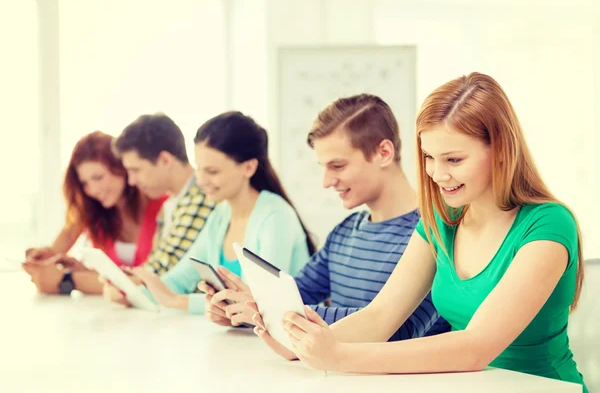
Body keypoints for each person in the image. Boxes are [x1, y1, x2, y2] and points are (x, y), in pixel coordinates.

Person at [253, 73, 588, 393]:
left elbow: (475, 348)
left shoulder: (548, 225)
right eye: (429, 157)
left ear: (500, 150)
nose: (437, 174)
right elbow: (379, 317)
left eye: (454, 159)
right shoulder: (441, 221)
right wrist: (303, 347)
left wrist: (338, 356)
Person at [204, 94, 449, 339]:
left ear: (383, 153)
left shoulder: (434, 233)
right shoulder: (344, 232)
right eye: (324, 167)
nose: (326, 181)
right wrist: (244, 309)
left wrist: (279, 313)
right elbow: (293, 297)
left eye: (338, 166)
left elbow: (395, 328)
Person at [103, 111, 315, 313]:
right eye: (200, 169)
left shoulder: (275, 216)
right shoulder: (221, 215)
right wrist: (132, 295)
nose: (201, 181)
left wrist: (177, 301)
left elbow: (259, 302)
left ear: (248, 168)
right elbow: (179, 279)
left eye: (212, 171)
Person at [24, 131, 166, 294]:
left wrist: (73, 280)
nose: (93, 190)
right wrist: (42, 259)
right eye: (85, 183)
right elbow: (55, 252)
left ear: (122, 167)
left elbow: (159, 280)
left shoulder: (162, 204)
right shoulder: (91, 212)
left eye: (98, 177)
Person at [112, 113, 215, 276]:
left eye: (136, 170)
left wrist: (121, 282)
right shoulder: (170, 204)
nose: (131, 181)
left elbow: (162, 271)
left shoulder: (202, 198)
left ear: (165, 160)